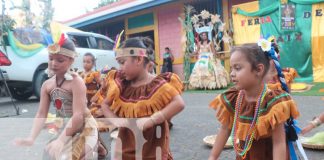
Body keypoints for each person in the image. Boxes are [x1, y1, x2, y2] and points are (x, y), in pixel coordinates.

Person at [208, 43, 299, 160]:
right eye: (231, 69)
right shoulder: (235, 98)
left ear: (259, 69)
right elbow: (225, 129)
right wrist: (212, 157)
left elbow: (279, 143)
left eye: (238, 68)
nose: (232, 74)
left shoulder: (273, 103)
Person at [14, 35, 98, 159]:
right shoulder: (46, 85)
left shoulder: (77, 82)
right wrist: (31, 138)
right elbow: (41, 114)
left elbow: (78, 116)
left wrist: (61, 141)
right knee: (49, 154)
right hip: (64, 126)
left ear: (71, 61)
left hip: (84, 127)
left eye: (60, 60)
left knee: (70, 156)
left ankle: (95, 147)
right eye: (51, 58)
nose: (53, 63)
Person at [101, 37, 185, 159]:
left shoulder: (157, 84)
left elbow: (179, 103)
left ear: (139, 59)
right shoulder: (121, 85)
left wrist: (152, 120)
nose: (120, 68)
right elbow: (104, 104)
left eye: (122, 62)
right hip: (127, 145)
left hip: (153, 147)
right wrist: (117, 122)